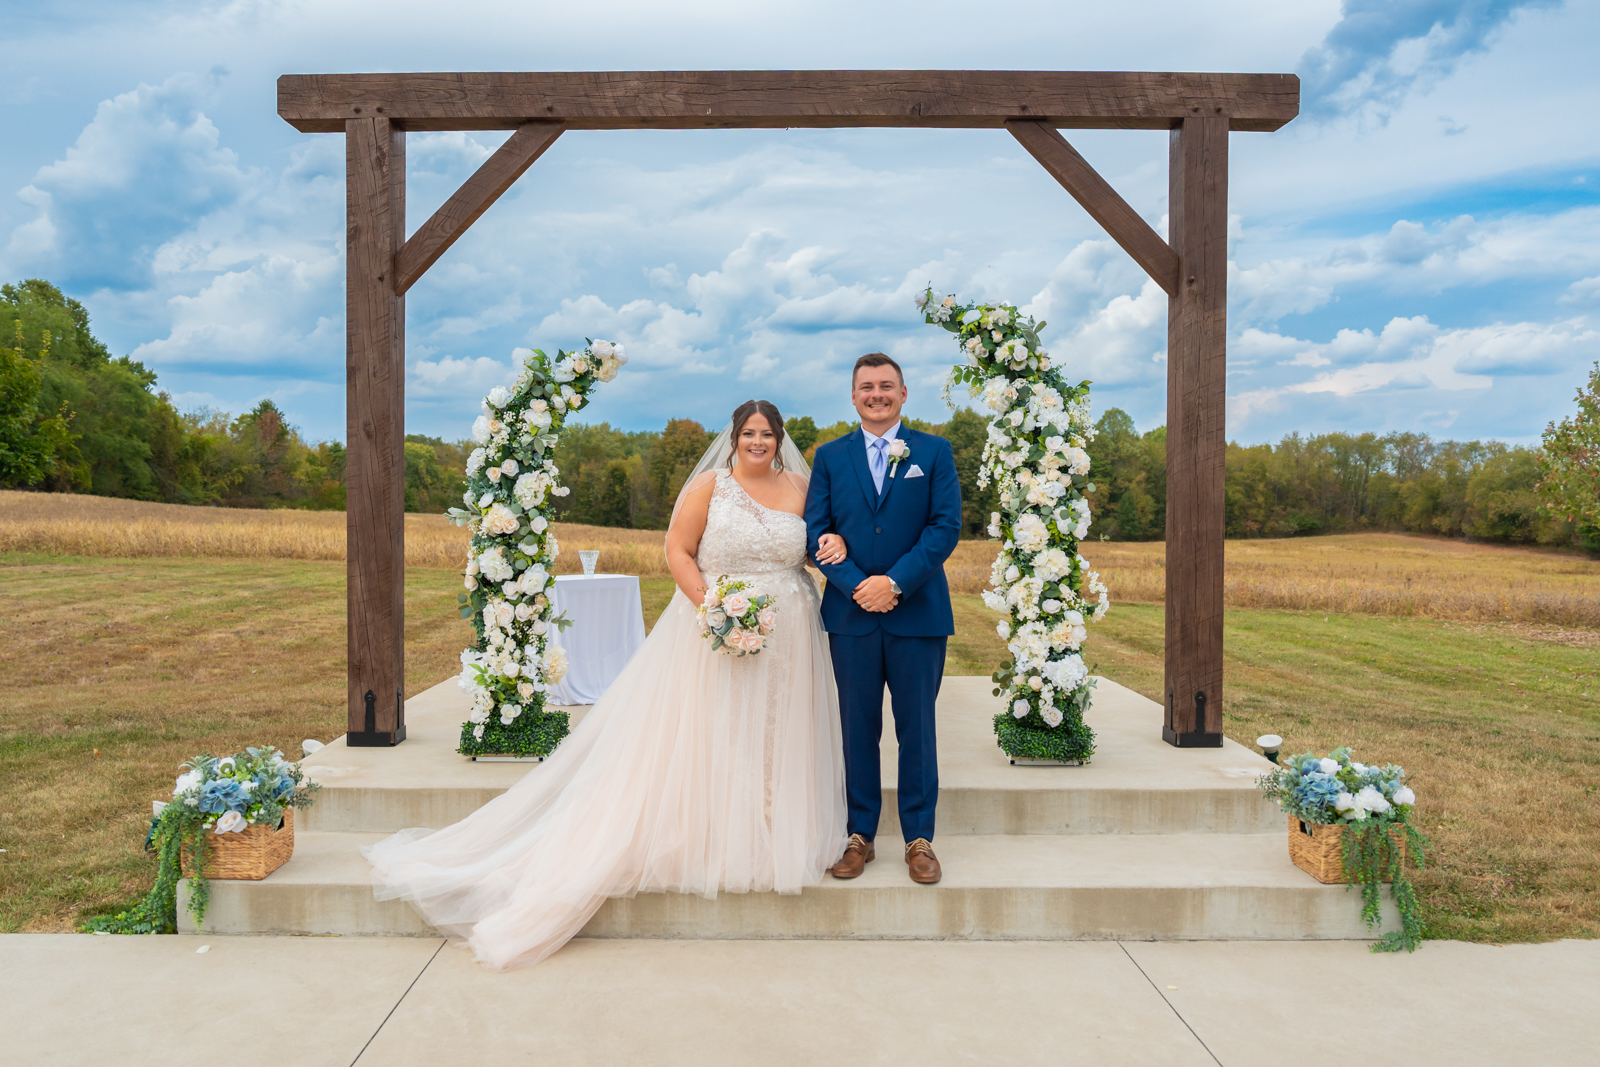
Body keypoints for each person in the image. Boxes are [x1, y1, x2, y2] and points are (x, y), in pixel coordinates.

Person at [365, 400, 848, 970]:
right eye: (749, 433)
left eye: (767, 433)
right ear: (735, 437)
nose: (758, 442)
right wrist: (715, 608)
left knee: (775, 731)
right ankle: (712, 832)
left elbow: (818, 546)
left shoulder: (802, 486)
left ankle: (770, 828)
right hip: (715, 624)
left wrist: (836, 547)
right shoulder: (710, 487)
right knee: (714, 726)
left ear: (780, 438)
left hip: (791, 630)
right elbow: (678, 550)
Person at [804, 353, 962, 884]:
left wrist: (892, 583)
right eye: (867, 387)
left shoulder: (934, 452)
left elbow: (944, 527)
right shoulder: (830, 457)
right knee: (856, 729)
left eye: (887, 386)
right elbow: (815, 531)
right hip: (850, 618)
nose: (877, 394)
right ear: (853, 396)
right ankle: (860, 835)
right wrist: (858, 585)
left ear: (903, 393)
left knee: (917, 729)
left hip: (917, 614)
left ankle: (919, 839)